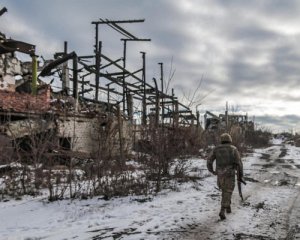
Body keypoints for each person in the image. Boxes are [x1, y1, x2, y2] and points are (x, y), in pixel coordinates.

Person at [207, 133, 243, 220]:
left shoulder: (216, 149)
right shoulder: (233, 149)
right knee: (228, 191)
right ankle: (222, 210)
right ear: (230, 140)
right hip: (230, 174)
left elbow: (209, 161)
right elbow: (239, 163)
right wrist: (240, 175)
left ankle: (228, 207)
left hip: (220, 174)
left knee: (224, 190)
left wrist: (212, 170)